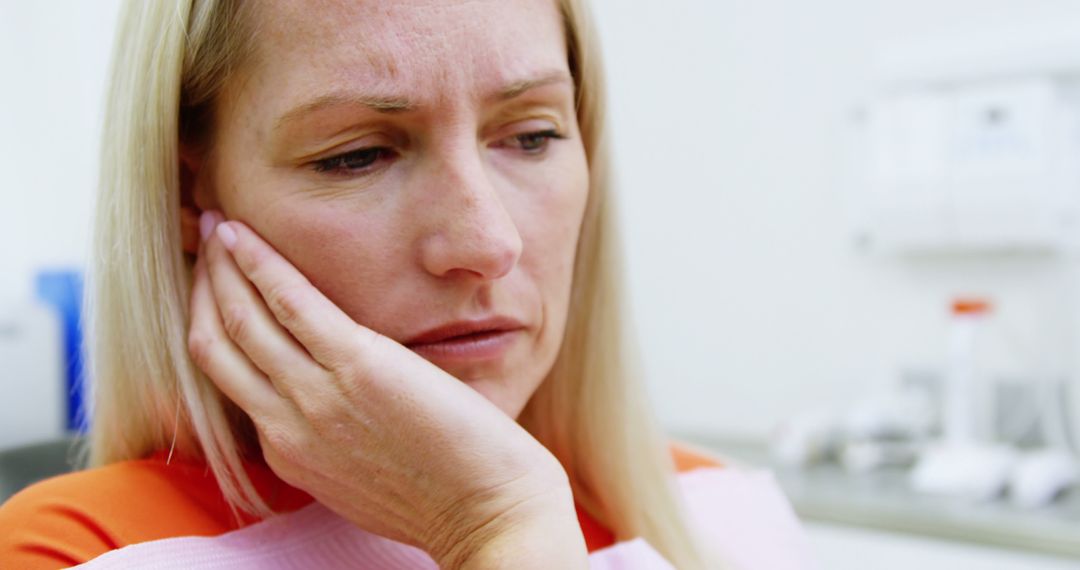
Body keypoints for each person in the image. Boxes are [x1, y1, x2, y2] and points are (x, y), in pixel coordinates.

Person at [0, 1, 812, 568]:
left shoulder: (722, 509)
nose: (486, 243)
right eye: (358, 154)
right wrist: (497, 531)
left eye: (531, 137)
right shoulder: (86, 551)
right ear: (188, 195)